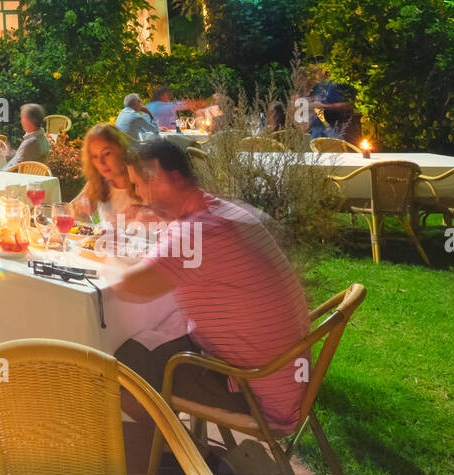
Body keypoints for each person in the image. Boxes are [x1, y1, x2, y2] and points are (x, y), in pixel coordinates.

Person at [113, 140, 310, 434]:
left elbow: (130, 287)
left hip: (255, 393)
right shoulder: (225, 211)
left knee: (121, 363)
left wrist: (106, 256)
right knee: (156, 337)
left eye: (140, 184)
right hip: (286, 379)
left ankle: (175, 456)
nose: (137, 194)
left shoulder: (195, 234)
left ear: (172, 179)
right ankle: (176, 447)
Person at [68, 124, 157, 227]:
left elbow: (169, 223)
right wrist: (80, 212)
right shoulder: (98, 182)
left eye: (107, 153)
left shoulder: (144, 181)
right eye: (95, 156)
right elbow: (68, 213)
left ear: (122, 150)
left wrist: (143, 212)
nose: (101, 162)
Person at [4, 103, 51, 170]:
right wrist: (10, 153)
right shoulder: (42, 137)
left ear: (29, 121)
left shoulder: (30, 143)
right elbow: (24, 157)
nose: (21, 121)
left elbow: (15, 169)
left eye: (22, 118)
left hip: (13, 176)